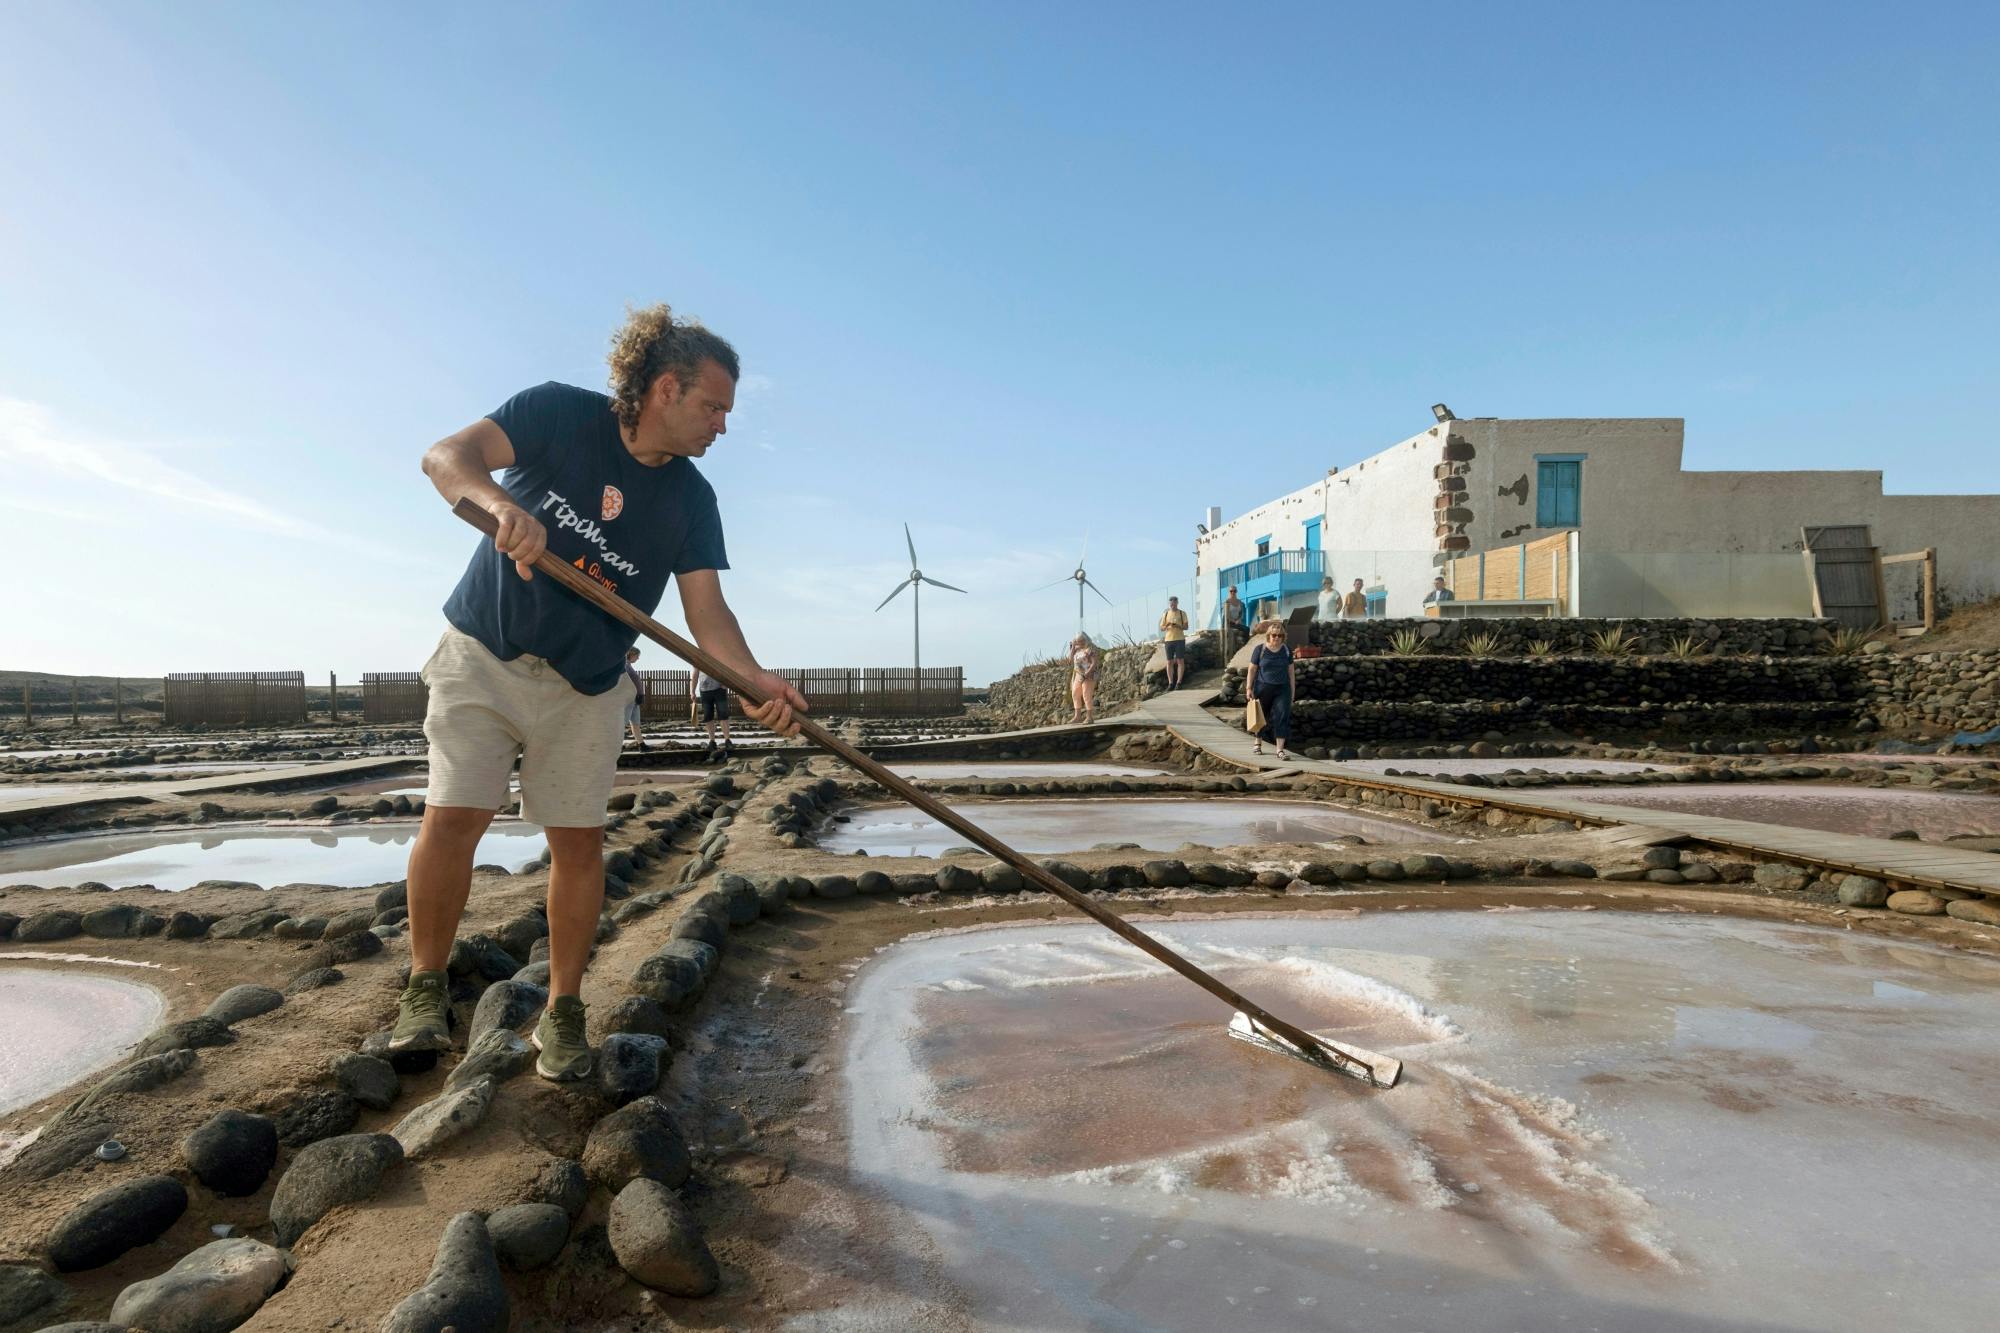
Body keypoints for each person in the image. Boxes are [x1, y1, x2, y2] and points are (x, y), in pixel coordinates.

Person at [390, 303, 808, 1082]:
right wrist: (502, 508)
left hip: (588, 681)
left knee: (579, 843)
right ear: (664, 389)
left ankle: (563, 1011)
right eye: (713, 406)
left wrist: (753, 682)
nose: (722, 425)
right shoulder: (555, 411)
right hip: (486, 650)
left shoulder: (692, 498)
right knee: (453, 819)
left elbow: (706, 613)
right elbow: (445, 457)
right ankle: (424, 986)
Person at [1248, 622, 1295, 761]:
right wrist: (1248, 688)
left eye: (1280, 635)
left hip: (1282, 688)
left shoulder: (1286, 650)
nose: (1277, 638)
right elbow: (1252, 669)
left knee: (1282, 716)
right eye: (1274, 635)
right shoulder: (1260, 649)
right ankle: (1258, 742)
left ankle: (1280, 750)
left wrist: (1293, 691)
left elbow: (1291, 673)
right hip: (1263, 687)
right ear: (1269, 635)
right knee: (1261, 716)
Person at [692, 666, 732, 761]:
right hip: (704, 690)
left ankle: (727, 740)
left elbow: (727, 667)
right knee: (708, 716)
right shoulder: (698, 657)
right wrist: (692, 691)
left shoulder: (717, 654)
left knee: (723, 715)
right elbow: (695, 674)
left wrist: (726, 683)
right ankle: (712, 741)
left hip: (719, 688)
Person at [1158, 596, 1189, 688]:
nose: (1172, 605)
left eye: (1174, 603)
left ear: (1177, 603)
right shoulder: (1166, 614)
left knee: (1180, 660)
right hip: (1168, 640)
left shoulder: (1182, 613)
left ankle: (1179, 682)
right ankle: (1170, 683)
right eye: (1171, 603)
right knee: (1169, 662)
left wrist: (1178, 626)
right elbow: (1162, 628)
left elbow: (1186, 627)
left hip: (1179, 639)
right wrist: (1166, 625)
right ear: (1169, 604)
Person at [1068, 634, 1100, 723]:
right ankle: (1077, 717)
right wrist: (1073, 647)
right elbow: (1070, 660)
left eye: (1081, 641)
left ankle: (1089, 717)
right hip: (1078, 674)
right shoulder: (1077, 650)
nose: (1080, 643)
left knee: (1086, 694)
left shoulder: (1090, 649)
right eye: (1078, 641)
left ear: (1085, 640)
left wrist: (1088, 672)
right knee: (1075, 693)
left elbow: (1094, 662)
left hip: (1089, 675)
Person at [622, 648, 646, 749]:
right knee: (622, 723)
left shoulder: (629, 666)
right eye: (637, 655)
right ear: (631, 654)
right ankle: (618, 745)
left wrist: (640, 694)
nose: (638, 658)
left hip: (635, 699)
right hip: (629, 698)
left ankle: (641, 744)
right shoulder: (624, 666)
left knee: (635, 723)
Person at [1222, 584, 1246, 658]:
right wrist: (1234, 621)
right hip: (1229, 623)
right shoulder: (1227, 602)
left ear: (1236, 592)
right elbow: (1226, 616)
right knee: (1238, 631)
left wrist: (1239, 619)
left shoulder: (1240, 602)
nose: (1233, 592)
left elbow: (1242, 613)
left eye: (1234, 591)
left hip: (1237, 622)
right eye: (1231, 591)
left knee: (1247, 629)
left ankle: (1245, 646)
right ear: (1229, 592)